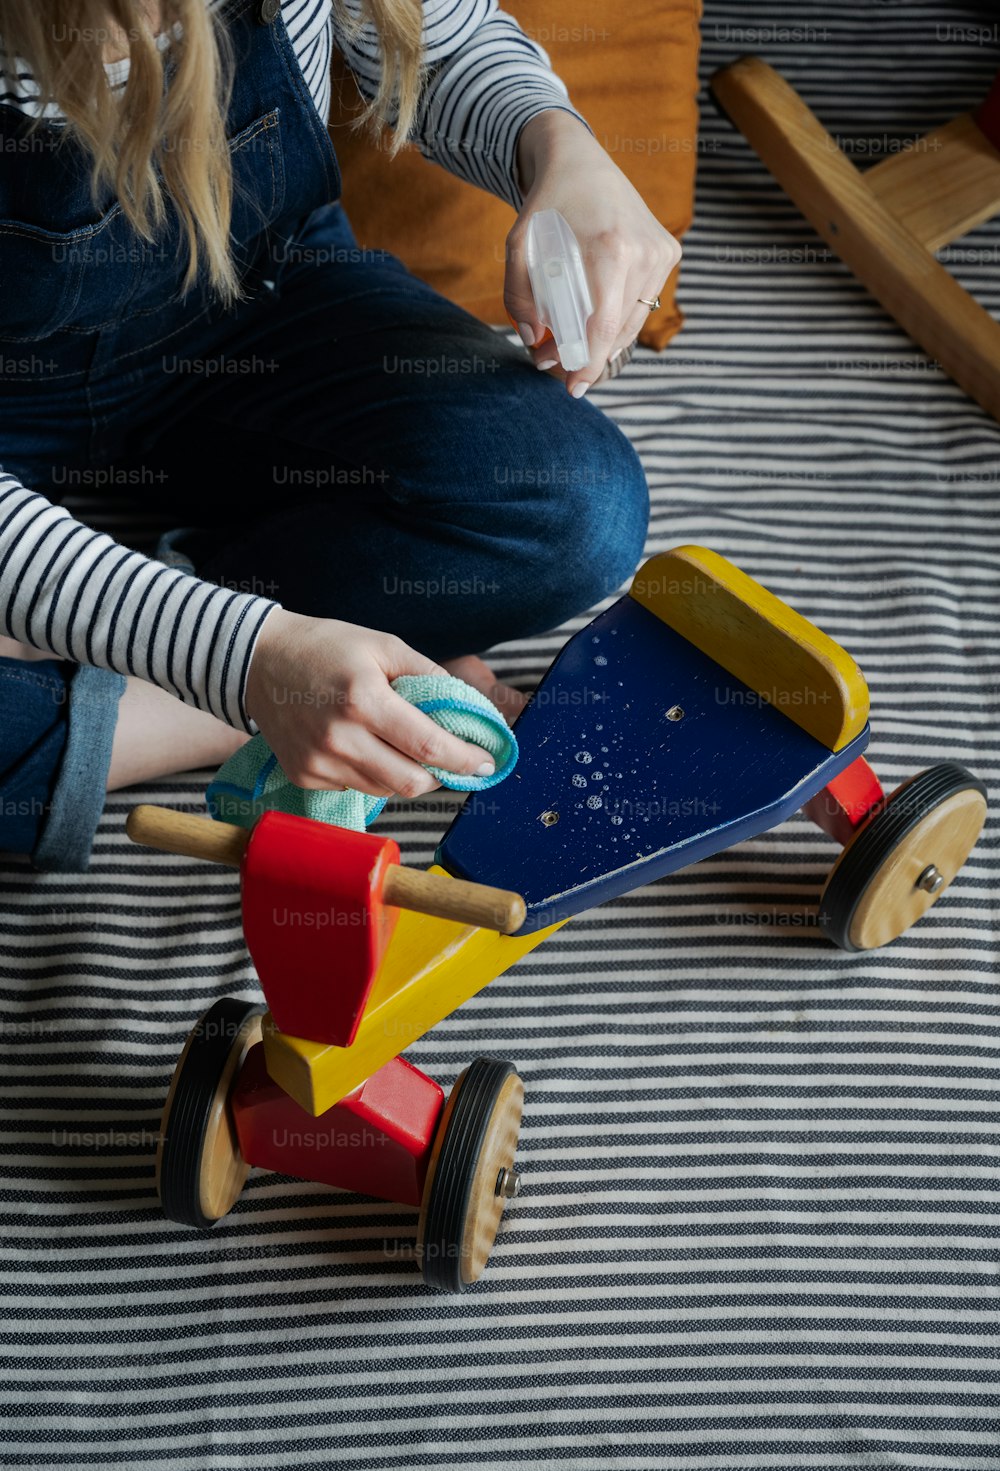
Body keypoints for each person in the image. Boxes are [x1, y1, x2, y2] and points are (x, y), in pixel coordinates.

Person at [0, 0, 680, 871]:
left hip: (264, 307)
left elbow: (439, 41)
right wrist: (249, 662)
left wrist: (557, 145)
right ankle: (225, 706)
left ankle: (140, 669)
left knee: (573, 505)